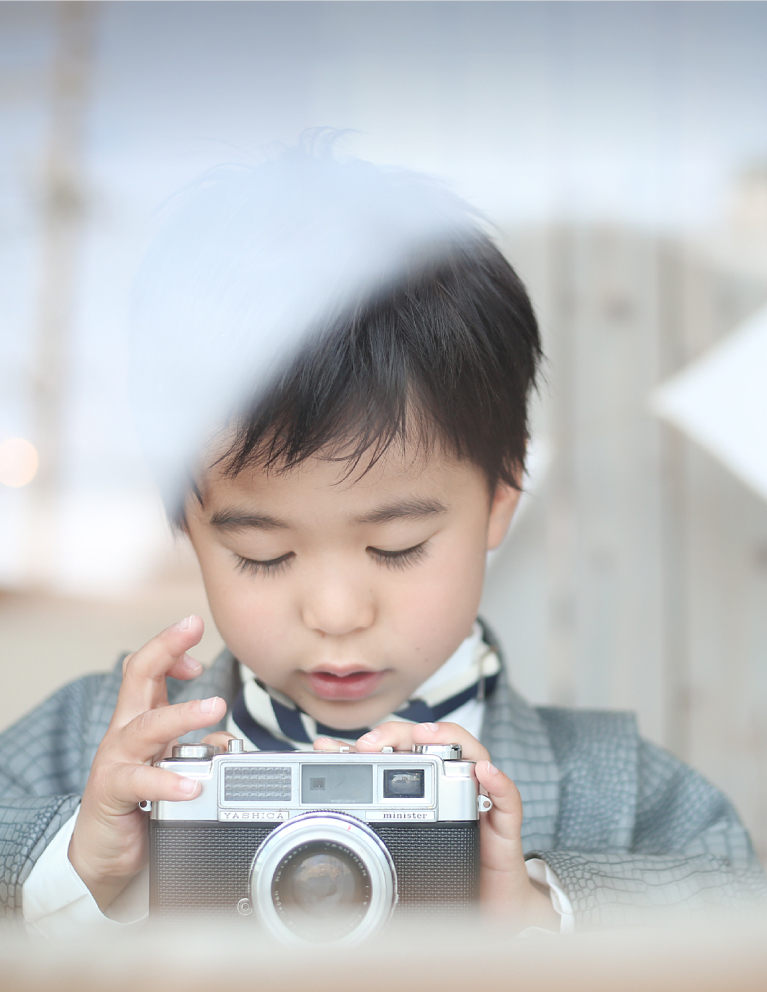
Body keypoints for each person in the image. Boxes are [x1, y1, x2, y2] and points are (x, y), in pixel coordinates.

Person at [3, 148, 765, 937]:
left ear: (501, 498)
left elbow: (737, 913)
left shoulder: (613, 784)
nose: (336, 612)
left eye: (396, 546)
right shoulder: (92, 742)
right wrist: (79, 860)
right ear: (187, 527)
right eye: (262, 555)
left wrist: (541, 912)